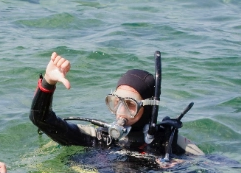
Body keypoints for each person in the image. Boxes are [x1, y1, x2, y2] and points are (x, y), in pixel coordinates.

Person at [30, 52, 203, 157]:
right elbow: (41, 119)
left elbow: (215, 169)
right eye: (115, 102)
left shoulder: (169, 144)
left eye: (130, 105)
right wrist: (48, 81)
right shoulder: (101, 138)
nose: (121, 112)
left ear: (148, 107)